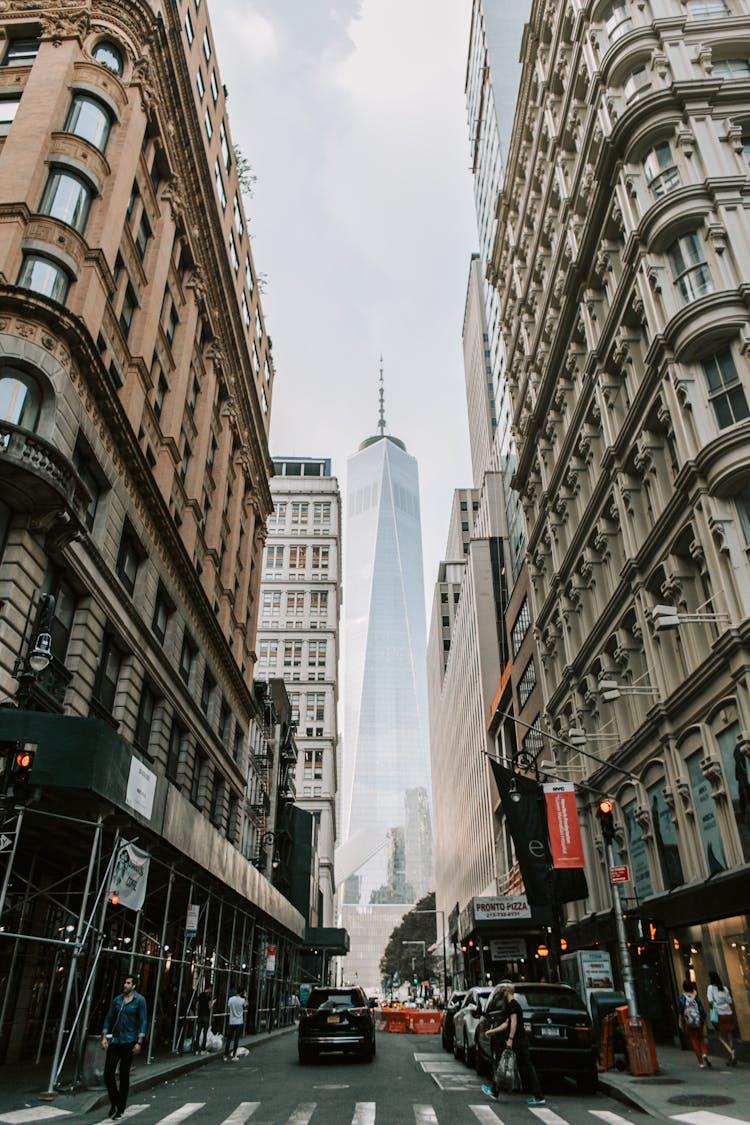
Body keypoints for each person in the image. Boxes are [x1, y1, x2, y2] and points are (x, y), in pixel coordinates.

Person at [481, 981, 545, 1106]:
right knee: (519, 1066)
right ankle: (537, 1095)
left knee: (506, 1064)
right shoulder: (513, 1005)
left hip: (518, 1041)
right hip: (520, 1041)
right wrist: (492, 1031)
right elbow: (507, 1024)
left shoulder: (512, 1005)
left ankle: (496, 1091)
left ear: (507, 992)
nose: (503, 993)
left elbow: (513, 1023)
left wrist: (510, 1039)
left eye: (504, 991)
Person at [100, 975, 148, 1120]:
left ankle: (121, 1107)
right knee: (108, 1073)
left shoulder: (140, 1000)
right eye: (125, 982)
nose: (125, 985)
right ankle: (115, 1100)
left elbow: (143, 1020)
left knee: (123, 1074)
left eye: (128, 983)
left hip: (129, 1041)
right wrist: (104, 1036)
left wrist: (139, 1041)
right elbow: (109, 1017)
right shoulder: (118, 1000)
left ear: (134, 986)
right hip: (115, 1040)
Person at [707, 971, 737, 1066]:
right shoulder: (724, 988)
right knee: (730, 1035)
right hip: (728, 1013)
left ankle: (731, 1053)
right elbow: (729, 1000)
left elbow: (710, 1001)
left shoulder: (710, 988)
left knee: (719, 1036)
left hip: (719, 1013)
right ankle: (731, 1055)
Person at [678, 978, 711, 1068]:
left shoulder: (682, 998)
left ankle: (701, 1063)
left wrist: (682, 1022)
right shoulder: (696, 997)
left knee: (693, 1040)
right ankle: (704, 1053)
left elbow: (681, 1011)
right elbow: (701, 1008)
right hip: (698, 1020)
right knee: (701, 1038)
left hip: (689, 1021)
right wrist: (703, 1017)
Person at [224, 988, 247, 1061]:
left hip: (231, 1021)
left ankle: (225, 1055)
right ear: (242, 993)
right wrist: (246, 997)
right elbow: (246, 1005)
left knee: (229, 1039)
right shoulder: (242, 1000)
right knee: (236, 1040)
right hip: (239, 1022)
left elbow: (228, 1009)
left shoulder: (230, 999)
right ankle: (234, 1055)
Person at [193, 987, 214, 1054]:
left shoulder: (200, 995)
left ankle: (196, 1049)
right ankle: (203, 1049)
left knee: (198, 1032)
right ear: (209, 989)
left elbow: (196, 1006)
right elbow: (210, 1006)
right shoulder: (209, 997)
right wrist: (213, 1003)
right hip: (206, 1016)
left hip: (200, 1016)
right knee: (205, 1033)